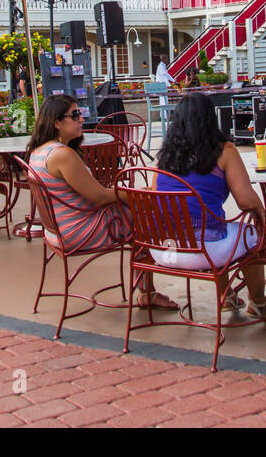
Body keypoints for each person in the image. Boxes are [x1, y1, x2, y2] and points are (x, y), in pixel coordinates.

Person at [27, 96, 177, 310]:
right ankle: (148, 291)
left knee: (139, 215)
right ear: (57, 122)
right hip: (78, 231)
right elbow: (100, 196)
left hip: (56, 231)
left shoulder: (39, 152)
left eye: (81, 114)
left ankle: (147, 289)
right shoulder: (62, 155)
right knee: (145, 221)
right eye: (75, 115)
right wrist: (139, 195)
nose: (81, 119)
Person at [155, 93, 266, 316]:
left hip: (164, 249)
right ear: (210, 118)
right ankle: (259, 302)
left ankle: (227, 296)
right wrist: (261, 211)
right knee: (249, 235)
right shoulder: (224, 151)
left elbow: (154, 193)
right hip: (204, 251)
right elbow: (245, 200)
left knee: (217, 228)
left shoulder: (164, 157)